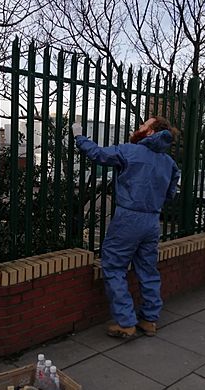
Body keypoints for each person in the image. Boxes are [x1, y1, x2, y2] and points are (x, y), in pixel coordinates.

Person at [72, 118, 180, 338]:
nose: (137, 128)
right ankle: (149, 320)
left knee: (113, 266)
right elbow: (170, 193)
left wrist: (79, 137)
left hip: (129, 217)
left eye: (143, 126)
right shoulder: (169, 163)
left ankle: (126, 322)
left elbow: (99, 155)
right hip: (152, 220)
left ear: (150, 132)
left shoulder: (130, 151)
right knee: (148, 270)